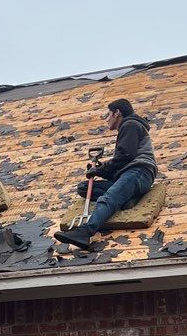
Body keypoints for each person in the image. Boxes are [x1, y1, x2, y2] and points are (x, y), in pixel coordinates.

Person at [55, 98, 157, 250]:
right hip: (131, 175)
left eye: (108, 114)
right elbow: (122, 162)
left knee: (108, 198)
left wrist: (100, 170)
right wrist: (101, 169)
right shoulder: (128, 127)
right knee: (84, 188)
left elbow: (125, 156)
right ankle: (128, 198)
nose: (106, 119)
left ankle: (85, 232)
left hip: (139, 171)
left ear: (117, 113)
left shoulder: (130, 124)